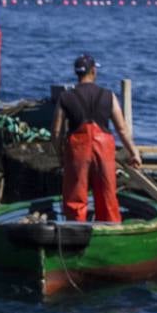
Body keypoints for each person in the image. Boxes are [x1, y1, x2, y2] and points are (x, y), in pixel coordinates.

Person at [51, 53, 141, 223]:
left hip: (77, 148)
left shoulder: (66, 97)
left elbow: (56, 132)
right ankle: (111, 229)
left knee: (75, 197)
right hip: (104, 148)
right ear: (93, 71)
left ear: (77, 73)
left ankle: (76, 232)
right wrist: (133, 152)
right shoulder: (109, 95)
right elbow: (122, 128)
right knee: (107, 194)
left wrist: (60, 155)